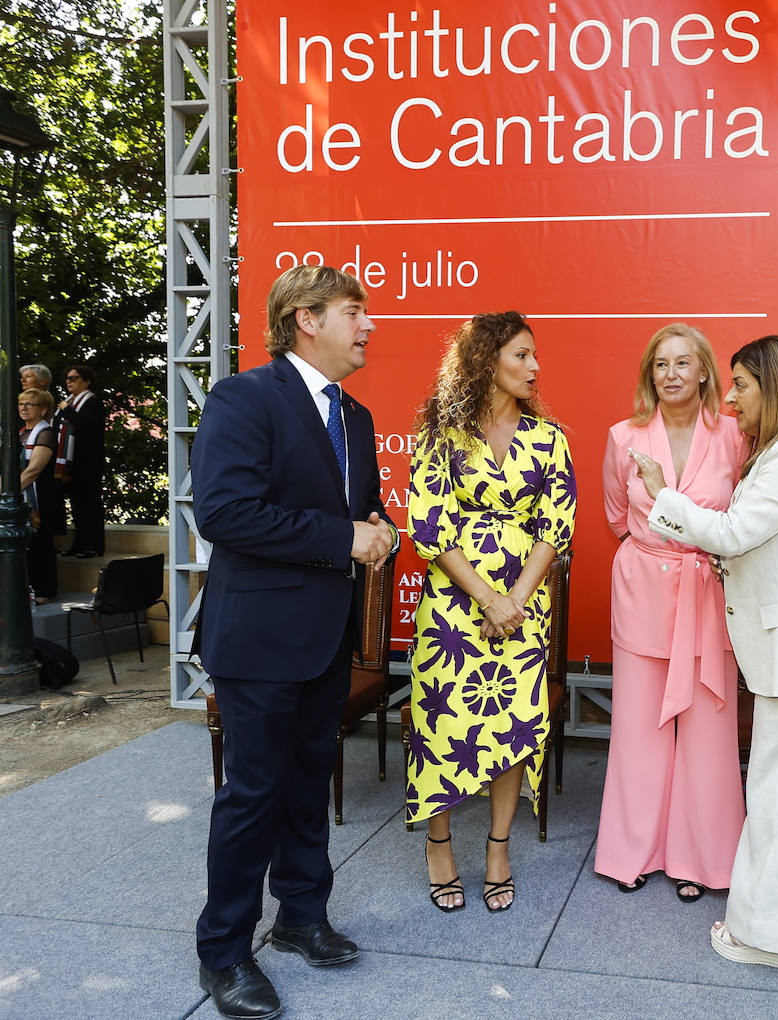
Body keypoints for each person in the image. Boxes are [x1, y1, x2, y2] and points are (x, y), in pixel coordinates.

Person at [629, 334, 778, 971]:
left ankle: (763, 936)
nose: (730, 396)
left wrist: (662, 494)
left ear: (777, 386)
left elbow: (736, 534)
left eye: (741, 384)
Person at [191, 265, 395, 1020]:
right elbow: (225, 513)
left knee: (310, 784)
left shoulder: (358, 416)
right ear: (306, 319)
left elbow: (356, 513)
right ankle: (224, 954)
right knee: (253, 797)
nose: (368, 325)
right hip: (258, 640)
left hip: (323, 637)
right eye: (354, 311)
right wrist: (344, 536)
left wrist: (375, 534)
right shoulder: (244, 398)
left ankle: (301, 917)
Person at [406, 311, 576, 915]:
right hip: (455, 607)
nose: (535, 367)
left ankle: (499, 849)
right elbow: (429, 525)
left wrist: (516, 600)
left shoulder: (549, 437)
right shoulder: (440, 435)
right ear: (487, 360)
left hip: (525, 606)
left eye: (535, 355)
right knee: (444, 726)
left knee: (514, 728)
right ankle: (438, 843)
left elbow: (555, 527)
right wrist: (487, 597)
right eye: (522, 355)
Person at [595, 323, 747, 902]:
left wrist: (693, 550)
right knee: (639, 727)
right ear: (648, 374)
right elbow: (616, 515)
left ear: (705, 372)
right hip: (643, 593)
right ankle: (631, 853)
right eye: (660, 364)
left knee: (708, 730)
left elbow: (742, 519)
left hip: (708, 591)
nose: (672, 374)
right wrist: (659, 550)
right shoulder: (622, 435)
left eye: (684, 363)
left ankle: (701, 860)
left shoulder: (734, 435)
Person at [54, 363, 105, 557]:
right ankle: (79, 544)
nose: (68, 381)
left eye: (73, 378)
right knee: (76, 506)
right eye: (67, 378)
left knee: (89, 505)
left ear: (87, 381)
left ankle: (93, 546)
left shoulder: (92, 403)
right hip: (71, 463)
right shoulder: (70, 402)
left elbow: (86, 425)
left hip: (88, 463)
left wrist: (67, 411)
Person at [19, 387, 63, 603]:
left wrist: (7, 493)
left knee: (40, 545)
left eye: (30, 404)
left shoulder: (45, 433)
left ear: (43, 409)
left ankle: (44, 591)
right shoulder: (21, 432)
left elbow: (33, 470)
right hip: (21, 495)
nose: (23, 408)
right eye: (21, 404)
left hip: (40, 499)